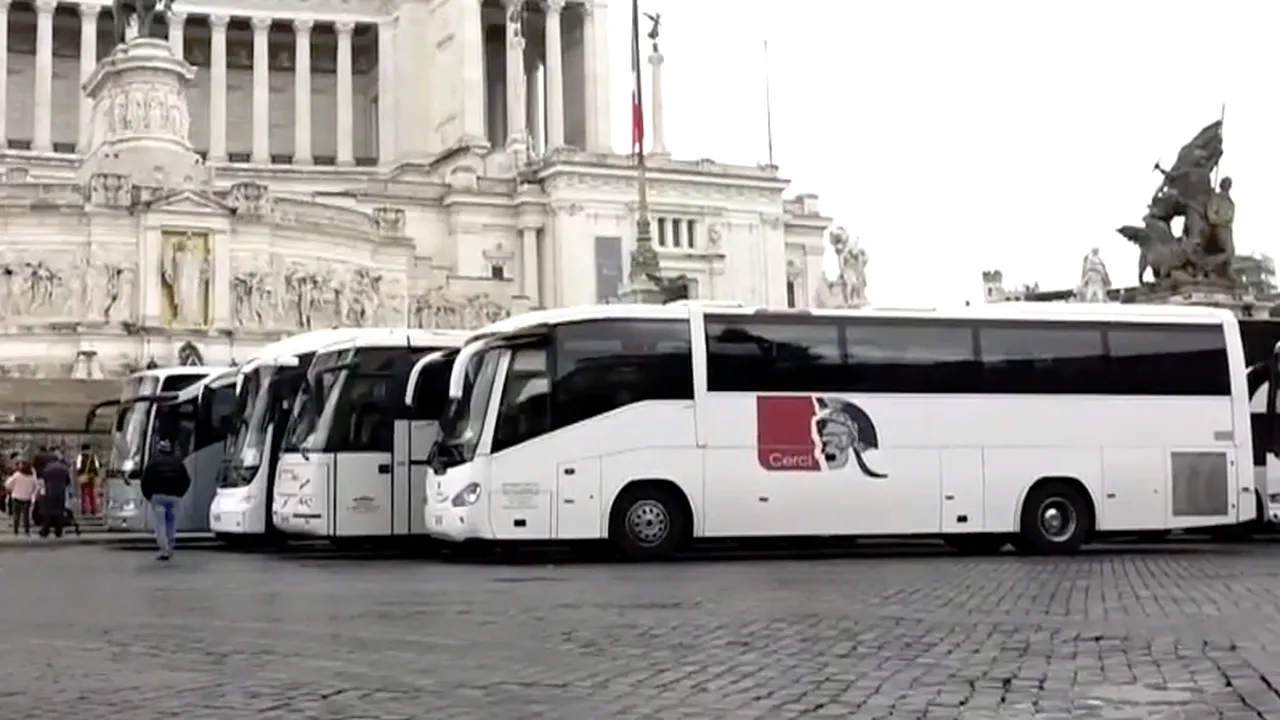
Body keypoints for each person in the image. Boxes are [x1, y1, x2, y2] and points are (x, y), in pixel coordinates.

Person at [140, 438, 191, 561]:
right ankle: (170, 546)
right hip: (174, 497)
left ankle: (164, 549)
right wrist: (180, 494)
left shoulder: (153, 463)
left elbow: (145, 481)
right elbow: (186, 480)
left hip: (158, 497)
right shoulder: (178, 462)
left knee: (160, 524)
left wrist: (150, 496)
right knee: (171, 523)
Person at [35, 450, 73, 539]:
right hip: (60, 493)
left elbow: (44, 480)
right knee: (59, 512)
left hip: (50, 492)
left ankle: (45, 530)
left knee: (48, 513)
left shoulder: (47, 468)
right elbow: (68, 481)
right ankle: (58, 530)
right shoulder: (64, 468)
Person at [3, 460, 37, 536]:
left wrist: (11, 489)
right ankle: (27, 530)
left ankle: (16, 530)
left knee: (16, 515)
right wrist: (30, 492)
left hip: (16, 497)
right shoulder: (31, 477)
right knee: (26, 515)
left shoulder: (17, 475)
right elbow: (35, 486)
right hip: (27, 498)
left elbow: (7, 484)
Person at [74, 443, 101, 516]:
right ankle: (93, 509)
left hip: (83, 476)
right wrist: (96, 476)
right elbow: (97, 467)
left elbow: (78, 467)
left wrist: (78, 475)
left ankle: (84, 509)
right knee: (91, 493)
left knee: (83, 493)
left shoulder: (80, 456)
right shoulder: (93, 456)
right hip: (91, 476)